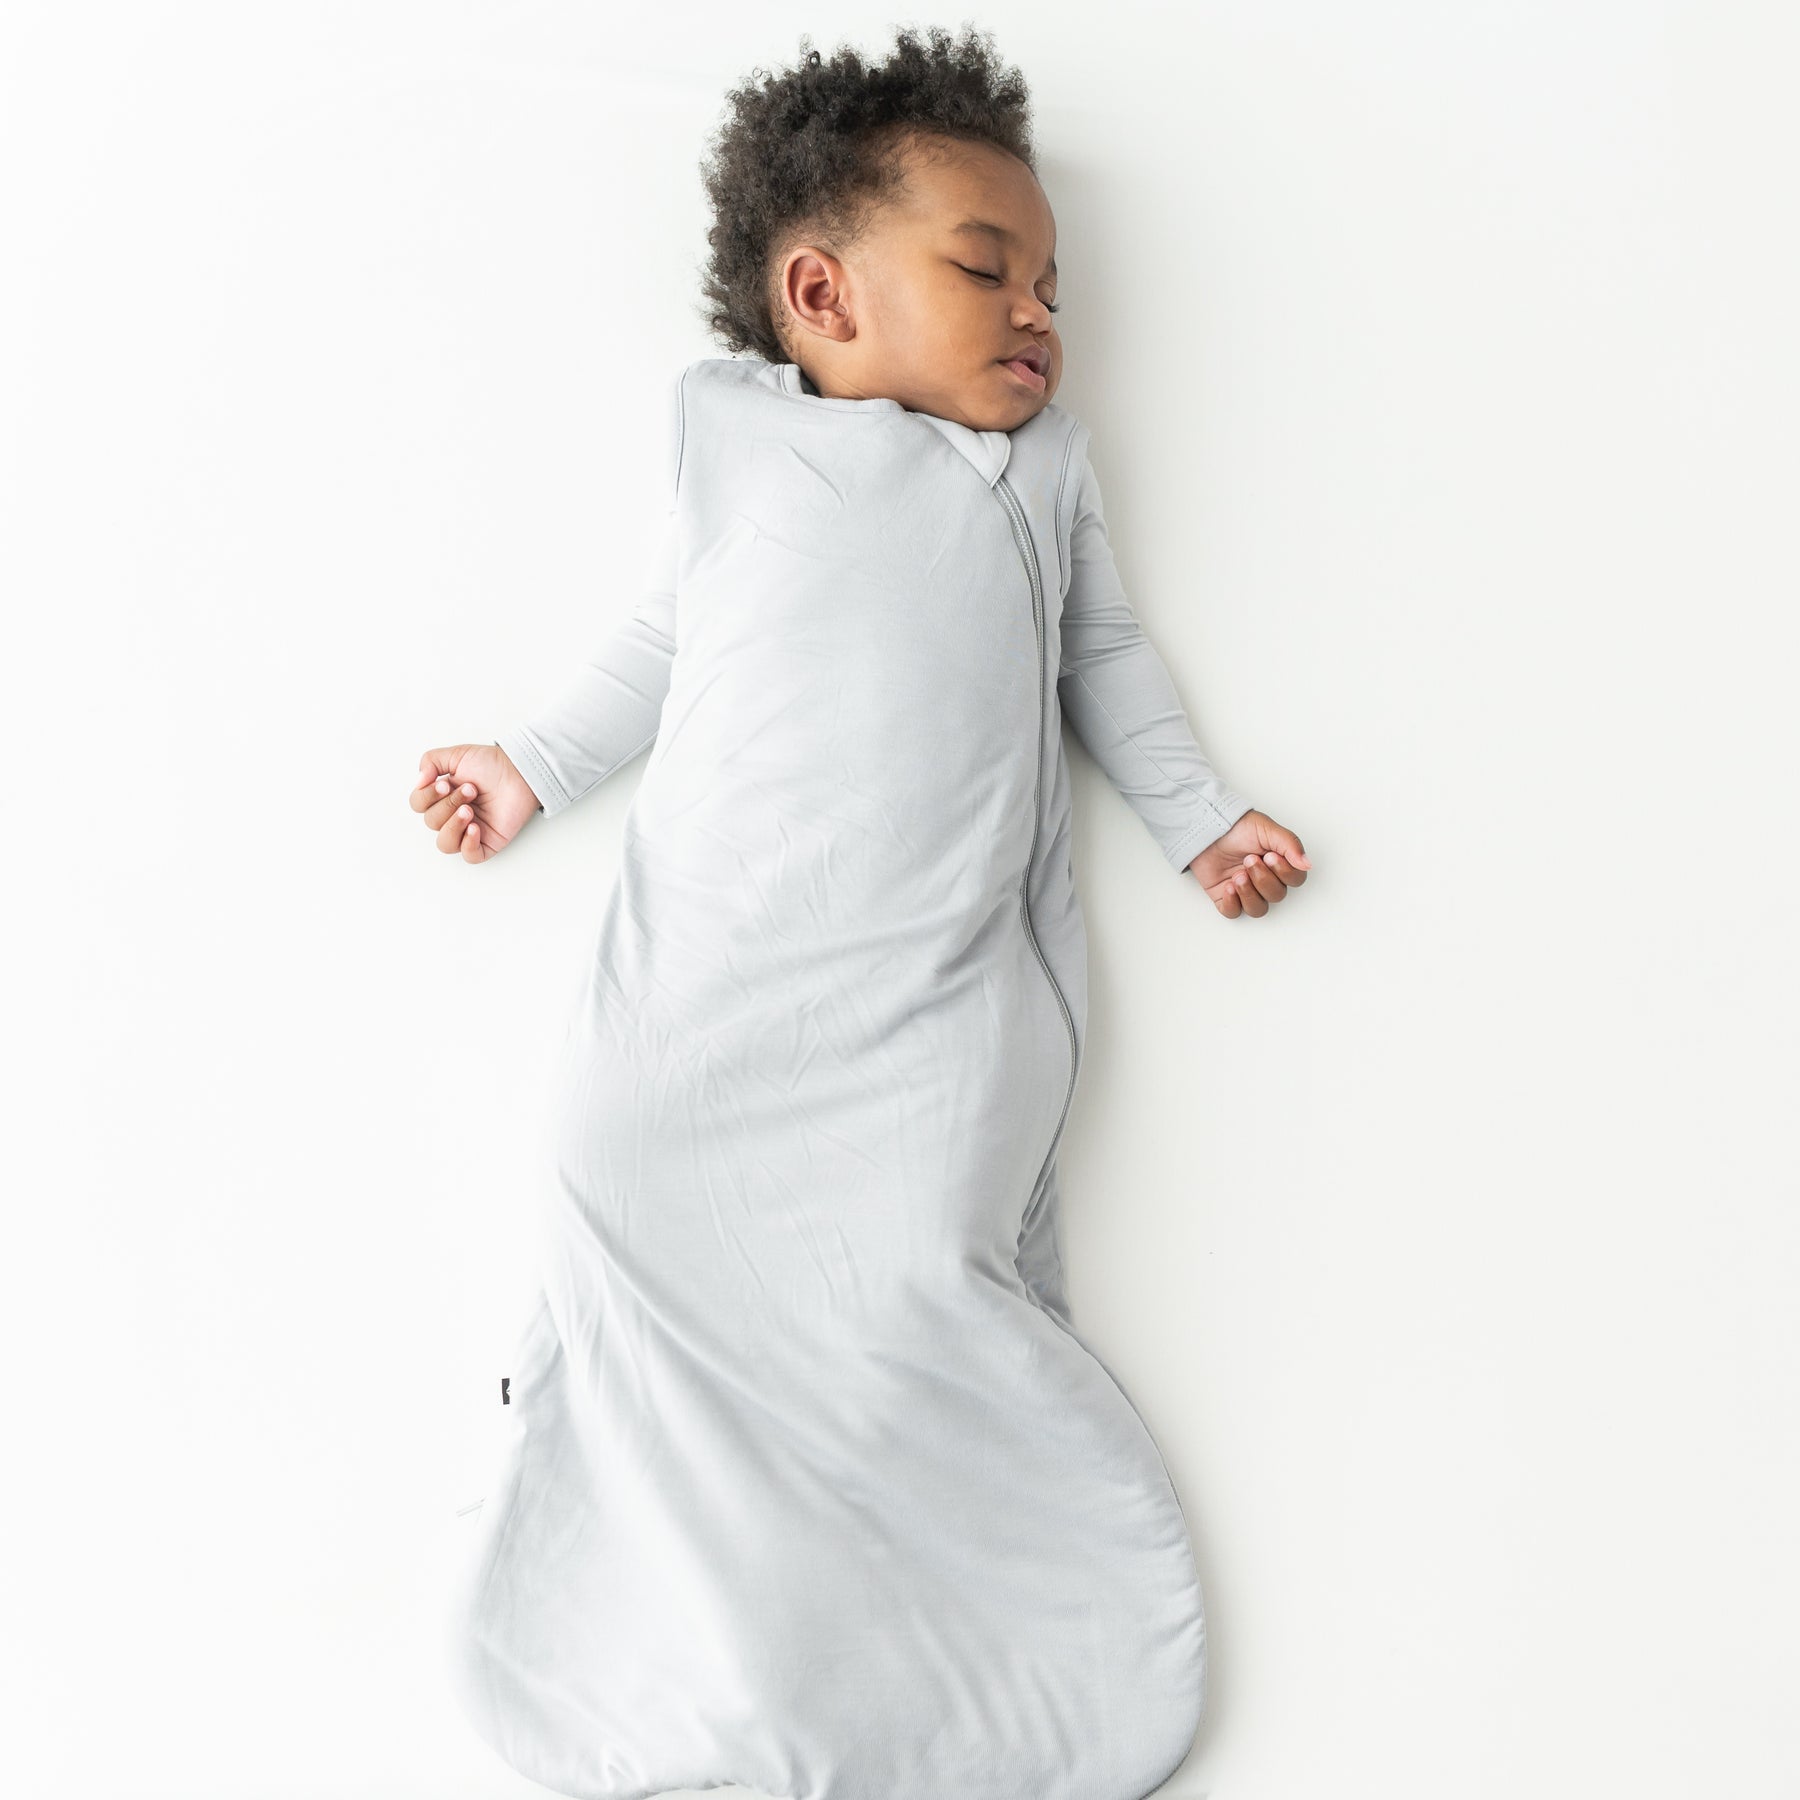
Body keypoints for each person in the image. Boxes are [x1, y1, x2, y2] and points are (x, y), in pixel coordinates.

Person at [414, 26, 1311, 1800]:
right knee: (616, 1192)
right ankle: (640, 1607)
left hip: (924, 996)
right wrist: (529, 760)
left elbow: (1107, 664)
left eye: (1052, 284)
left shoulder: (1039, 475)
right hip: (710, 991)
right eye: (988, 268)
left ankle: (968, 1659)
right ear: (818, 293)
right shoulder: (730, 444)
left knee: (911, 1266)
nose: (1039, 314)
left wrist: (1201, 818)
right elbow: (663, 646)